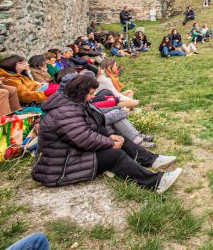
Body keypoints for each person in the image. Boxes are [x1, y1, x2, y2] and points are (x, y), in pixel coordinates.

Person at [31, 74, 182, 193]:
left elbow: (93, 126)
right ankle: (157, 183)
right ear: (79, 91)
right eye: (90, 93)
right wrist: (110, 142)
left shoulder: (72, 103)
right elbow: (84, 138)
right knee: (114, 154)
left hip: (70, 154)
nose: (92, 96)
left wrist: (110, 136)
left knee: (118, 139)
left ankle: (151, 160)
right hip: (60, 167)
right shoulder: (64, 111)